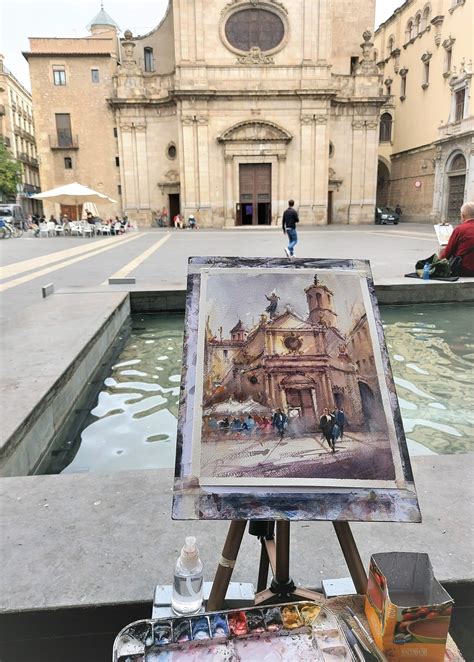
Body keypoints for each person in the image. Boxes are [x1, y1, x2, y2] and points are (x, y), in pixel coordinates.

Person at [439, 202, 474, 276]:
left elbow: (447, 253)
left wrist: (440, 256)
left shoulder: (460, 229)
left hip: (464, 269)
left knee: (442, 251)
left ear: (463, 215)